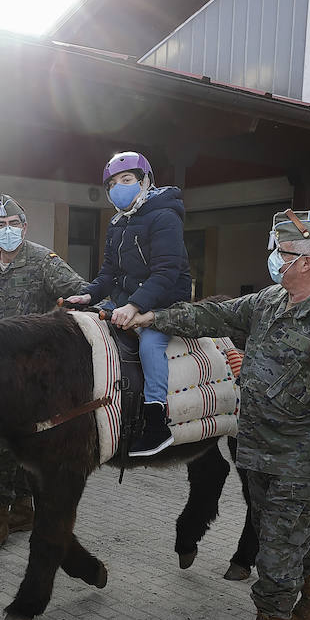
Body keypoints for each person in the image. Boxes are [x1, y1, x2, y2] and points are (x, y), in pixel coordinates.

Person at [123, 208, 310, 620]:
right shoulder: (269, 302)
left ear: (306, 262)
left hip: (306, 461)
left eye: (282, 252)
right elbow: (213, 314)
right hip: (258, 448)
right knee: (278, 534)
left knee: (275, 556)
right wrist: (153, 316)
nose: (274, 259)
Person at [0, 194, 87, 553]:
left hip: (37, 377)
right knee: (1, 442)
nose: (7, 231)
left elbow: (82, 293)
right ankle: (0, 513)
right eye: (0, 225)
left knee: (31, 441)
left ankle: (22, 509)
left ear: (24, 227)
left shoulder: (44, 262)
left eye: (13, 224)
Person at [63, 152, 192, 457]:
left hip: (164, 301)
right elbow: (109, 273)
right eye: (113, 184)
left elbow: (166, 272)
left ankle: (156, 422)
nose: (118, 188)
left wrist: (135, 307)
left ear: (145, 182)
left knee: (149, 343)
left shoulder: (165, 217)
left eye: (127, 180)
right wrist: (88, 296)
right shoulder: (117, 223)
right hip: (125, 300)